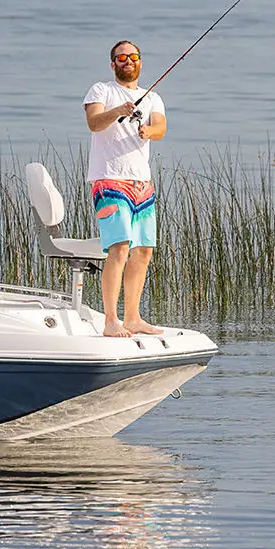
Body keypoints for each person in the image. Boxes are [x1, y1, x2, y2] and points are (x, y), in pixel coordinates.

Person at [83, 40, 166, 337]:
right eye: (121, 58)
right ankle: (110, 321)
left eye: (133, 56)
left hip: (141, 183)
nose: (127, 61)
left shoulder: (153, 97)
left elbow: (160, 128)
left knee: (143, 251)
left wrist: (148, 131)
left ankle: (133, 318)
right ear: (113, 64)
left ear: (140, 61)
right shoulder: (101, 90)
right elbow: (94, 123)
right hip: (109, 180)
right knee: (119, 247)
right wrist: (118, 110)